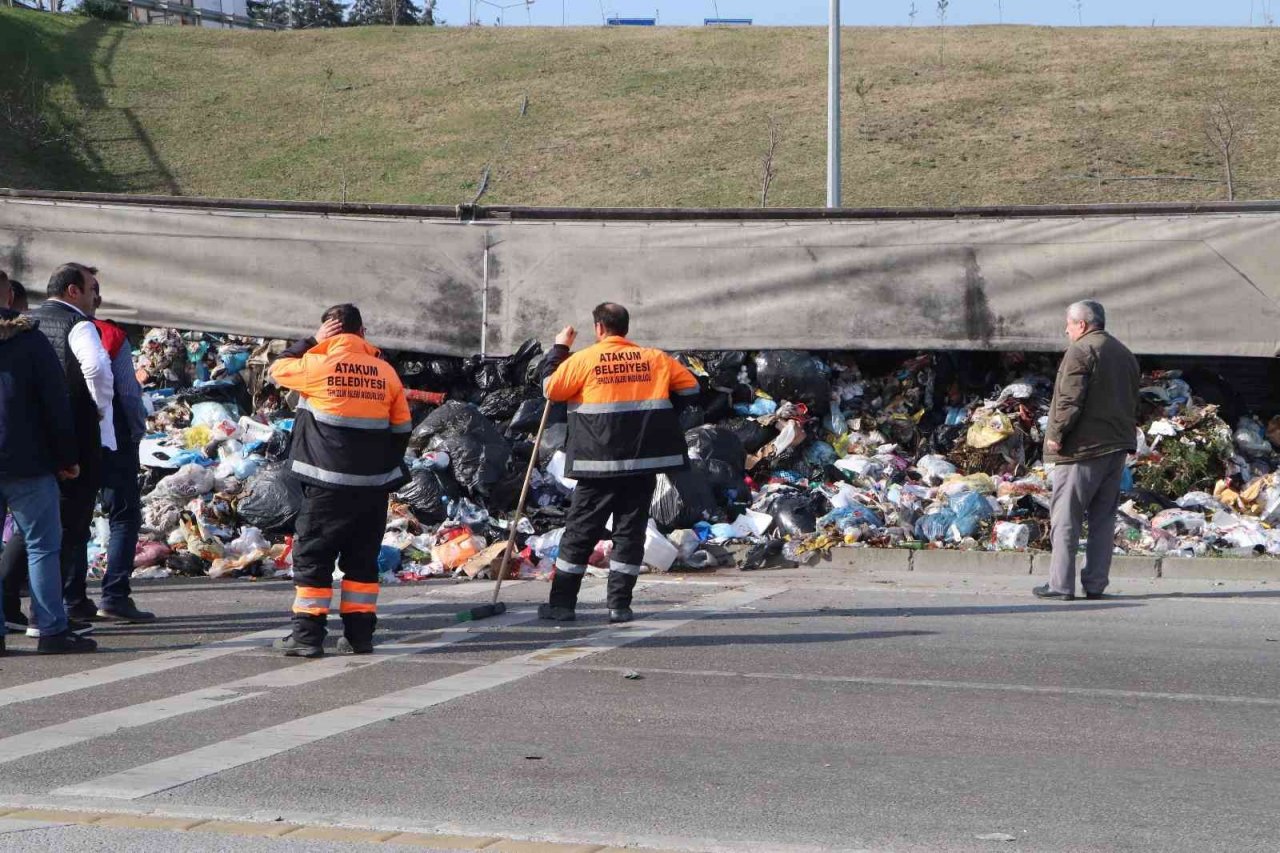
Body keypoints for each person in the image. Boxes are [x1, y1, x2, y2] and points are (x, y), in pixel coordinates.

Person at [538, 302, 700, 623]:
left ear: (599, 328)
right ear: (626, 327)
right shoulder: (655, 359)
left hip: (596, 465)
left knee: (580, 533)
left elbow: (550, 389)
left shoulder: (583, 360)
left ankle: (562, 605)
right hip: (642, 463)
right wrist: (662, 417)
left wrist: (559, 348)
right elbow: (692, 388)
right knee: (630, 533)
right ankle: (619, 607)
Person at [268, 304, 411, 658]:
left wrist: (312, 342)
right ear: (363, 332)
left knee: (314, 559)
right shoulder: (386, 372)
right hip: (371, 489)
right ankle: (360, 636)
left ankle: (306, 636)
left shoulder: (316, 366)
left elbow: (278, 369)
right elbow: (403, 428)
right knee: (362, 562)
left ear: (329, 333)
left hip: (325, 486)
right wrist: (379, 469)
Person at [13, 264, 116, 623]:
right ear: (73, 291)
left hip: (29, 441)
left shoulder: (27, 322)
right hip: (60, 442)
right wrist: (99, 411)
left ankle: (10, 608)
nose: (96, 297)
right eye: (91, 289)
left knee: (29, 533)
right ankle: (56, 616)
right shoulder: (77, 325)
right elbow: (96, 370)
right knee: (58, 534)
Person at [0, 272, 96, 654]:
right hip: (28, 460)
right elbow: (55, 404)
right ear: (8, 295)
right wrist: (67, 457)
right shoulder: (29, 341)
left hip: (27, 459)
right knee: (42, 545)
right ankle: (51, 630)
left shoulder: (33, 338)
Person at [1035, 300, 1140, 601]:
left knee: (1066, 516)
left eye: (1068, 323)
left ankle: (1060, 585)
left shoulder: (1080, 350)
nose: (1065, 329)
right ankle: (1095, 584)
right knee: (1102, 519)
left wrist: (1056, 434)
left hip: (1083, 448)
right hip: (1116, 447)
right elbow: (1133, 401)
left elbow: (1069, 399)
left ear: (1081, 324)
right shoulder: (1124, 353)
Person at [91, 296, 156, 622]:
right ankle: (114, 596)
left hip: (66, 441)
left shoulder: (41, 330)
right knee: (123, 517)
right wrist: (136, 432)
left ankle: (72, 599)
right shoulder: (111, 336)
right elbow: (129, 393)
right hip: (113, 439)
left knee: (72, 522)